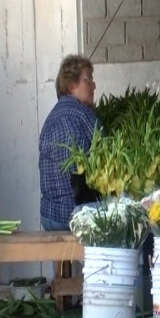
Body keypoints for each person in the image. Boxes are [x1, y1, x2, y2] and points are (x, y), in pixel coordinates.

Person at [39, 55, 100, 231]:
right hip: (73, 215)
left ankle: (62, 260)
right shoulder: (82, 115)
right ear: (71, 86)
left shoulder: (52, 117)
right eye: (87, 79)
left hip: (49, 216)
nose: (93, 85)